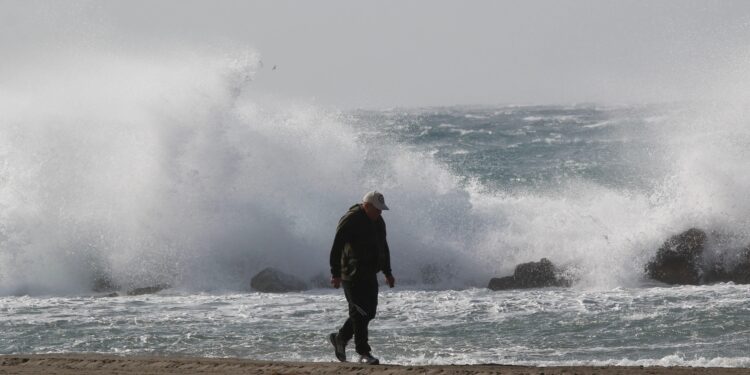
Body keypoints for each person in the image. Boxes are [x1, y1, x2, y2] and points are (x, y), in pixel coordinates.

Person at [328, 191, 395, 365]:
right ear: (367, 206)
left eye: (381, 210)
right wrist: (335, 273)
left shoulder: (378, 221)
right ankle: (363, 352)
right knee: (360, 312)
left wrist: (387, 272)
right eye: (377, 209)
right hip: (350, 273)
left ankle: (340, 338)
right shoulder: (351, 219)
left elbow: (383, 247)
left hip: (369, 273)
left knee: (369, 312)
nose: (380, 213)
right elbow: (337, 246)